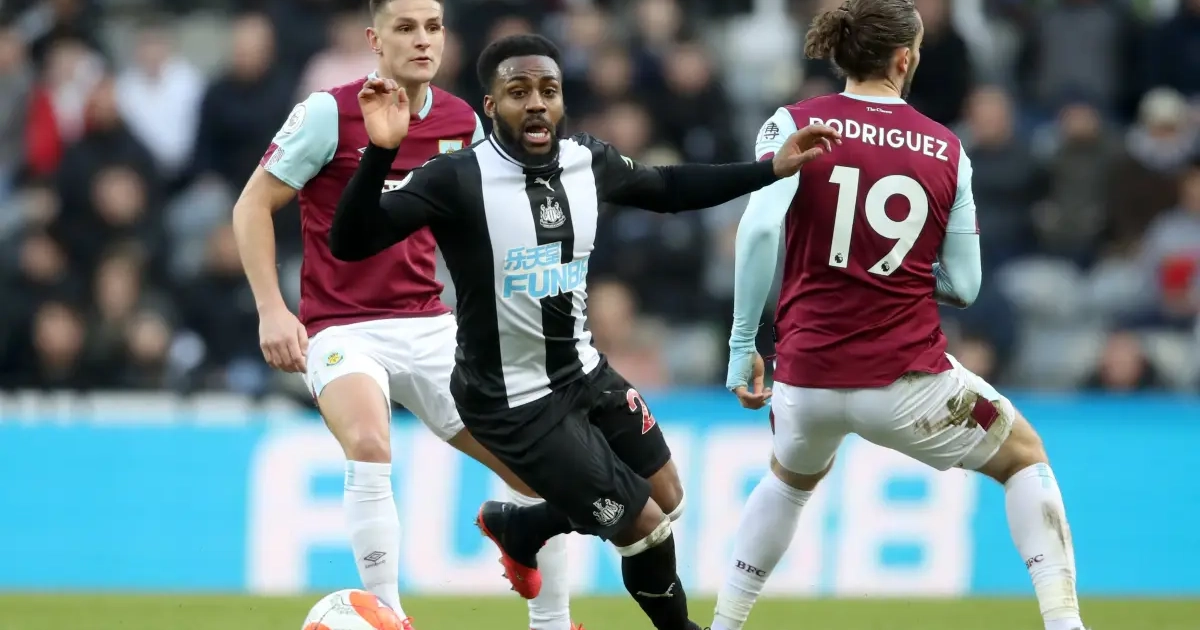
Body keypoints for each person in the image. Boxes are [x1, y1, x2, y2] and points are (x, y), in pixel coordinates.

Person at [328, 33, 838, 630]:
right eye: (518, 92)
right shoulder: (456, 179)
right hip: (512, 400)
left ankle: (526, 525)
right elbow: (350, 241)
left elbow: (669, 188)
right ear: (491, 106)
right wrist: (381, 151)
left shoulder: (586, 161)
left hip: (584, 371)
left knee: (669, 497)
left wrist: (770, 169)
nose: (536, 103)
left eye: (548, 90)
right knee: (645, 528)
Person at [716, 2, 1087, 630]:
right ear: (905, 58)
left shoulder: (793, 123)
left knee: (787, 480)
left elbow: (757, 231)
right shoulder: (947, 148)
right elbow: (965, 286)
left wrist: (740, 345)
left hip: (805, 379)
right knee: (1025, 456)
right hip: (907, 382)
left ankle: (724, 623)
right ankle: (1064, 623)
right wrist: (897, 272)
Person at [230, 3, 577, 629]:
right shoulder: (328, 113)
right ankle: (388, 615)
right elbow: (252, 206)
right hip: (341, 327)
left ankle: (551, 623)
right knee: (369, 440)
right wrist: (271, 311)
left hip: (431, 325)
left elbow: (490, 222)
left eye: (433, 27)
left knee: (539, 469)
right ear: (374, 38)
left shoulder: (461, 121)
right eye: (406, 28)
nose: (422, 40)